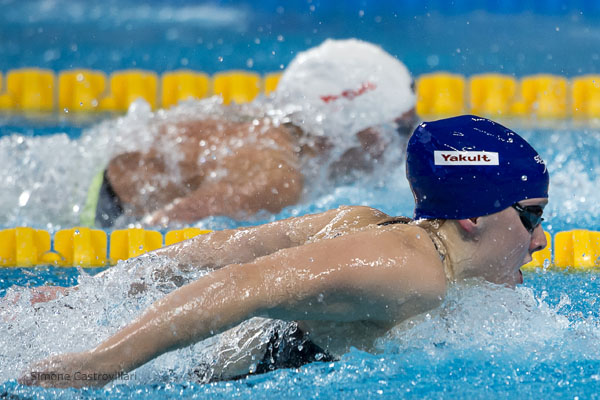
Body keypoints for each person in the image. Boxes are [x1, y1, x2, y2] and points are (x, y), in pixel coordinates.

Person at [20, 115, 549, 388]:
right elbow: (238, 283)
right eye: (531, 215)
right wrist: (99, 365)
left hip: (186, 355)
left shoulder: (366, 223)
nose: (540, 239)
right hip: (190, 374)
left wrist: (84, 295)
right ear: (473, 216)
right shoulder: (407, 271)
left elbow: (222, 249)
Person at [89, 38, 416, 228]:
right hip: (97, 207)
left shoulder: (273, 130)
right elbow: (161, 230)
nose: (403, 146)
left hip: (99, 170)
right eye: (399, 130)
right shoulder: (276, 177)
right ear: (357, 132)